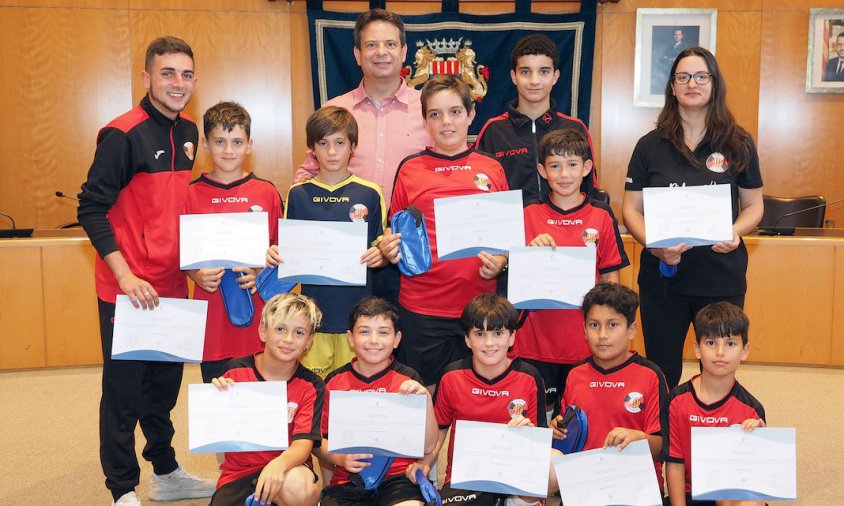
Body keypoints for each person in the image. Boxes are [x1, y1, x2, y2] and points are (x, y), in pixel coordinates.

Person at [77, 36, 215, 505]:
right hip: (129, 291)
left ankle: (166, 471)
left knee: (163, 389)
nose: (178, 83)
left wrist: (194, 268)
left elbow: (178, 211)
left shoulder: (192, 131)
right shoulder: (122, 133)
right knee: (123, 394)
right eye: (168, 73)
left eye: (187, 74)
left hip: (174, 288)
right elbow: (91, 209)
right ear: (147, 77)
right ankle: (121, 489)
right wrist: (124, 276)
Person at [621, 46, 764, 389]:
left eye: (701, 76)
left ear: (715, 84)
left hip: (719, 277)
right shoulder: (649, 145)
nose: (692, 84)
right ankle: (666, 441)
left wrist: (735, 231)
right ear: (671, 87)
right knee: (661, 373)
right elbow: (630, 209)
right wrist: (654, 246)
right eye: (682, 77)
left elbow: (755, 206)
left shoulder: (738, 142)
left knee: (717, 371)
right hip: (663, 280)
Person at [297, 8, 433, 308]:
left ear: (404, 51)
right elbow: (307, 176)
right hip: (349, 254)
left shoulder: (429, 110)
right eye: (371, 45)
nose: (381, 52)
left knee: (403, 344)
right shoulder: (334, 110)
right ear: (358, 54)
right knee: (350, 342)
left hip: (407, 251)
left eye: (390, 44)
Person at [380, 75, 509, 390]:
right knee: (424, 398)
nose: (446, 122)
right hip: (423, 309)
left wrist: (502, 261)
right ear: (425, 120)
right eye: (435, 114)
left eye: (454, 112)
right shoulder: (410, 168)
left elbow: (508, 240)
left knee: (477, 400)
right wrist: (388, 245)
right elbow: (392, 227)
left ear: (470, 115)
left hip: (481, 309)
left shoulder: (492, 168)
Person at [516, 129, 629, 421]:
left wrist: (608, 332)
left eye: (572, 165)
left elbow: (610, 281)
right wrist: (526, 253)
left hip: (583, 342)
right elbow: (507, 273)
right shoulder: (527, 215)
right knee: (536, 421)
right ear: (542, 170)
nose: (563, 174)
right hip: (535, 341)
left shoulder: (601, 216)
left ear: (587, 168)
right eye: (554, 166)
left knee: (579, 421)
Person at [268, 106, 386, 378]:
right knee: (315, 391)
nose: (331, 152)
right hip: (313, 316)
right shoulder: (298, 194)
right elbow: (288, 251)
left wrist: (381, 254)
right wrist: (276, 253)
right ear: (312, 149)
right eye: (323, 143)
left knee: (352, 389)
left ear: (352, 146)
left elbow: (381, 245)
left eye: (339, 143)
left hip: (356, 317)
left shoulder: (369, 193)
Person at [406, 293, 556, 506]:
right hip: (467, 477)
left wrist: (528, 432)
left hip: (514, 477)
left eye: (497, 333)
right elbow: (439, 429)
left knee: (553, 461)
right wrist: (425, 463)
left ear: (512, 337)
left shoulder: (530, 377)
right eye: (479, 333)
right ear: (467, 339)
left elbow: (539, 439)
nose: (489, 343)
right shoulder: (451, 375)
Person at [185, 101, 283, 383]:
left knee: (260, 403)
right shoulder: (190, 194)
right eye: (220, 141)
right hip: (211, 321)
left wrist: (261, 274)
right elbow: (180, 255)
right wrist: (195, 274)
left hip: (257, 320)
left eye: (237, 142)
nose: (229, 151)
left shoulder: (266, 193)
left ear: (249, 144)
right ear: (205, 144)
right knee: (218, 399)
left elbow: (280, 253)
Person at [316, 296, 438, 506]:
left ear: (397, 339)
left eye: (383, 332)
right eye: (364, 331)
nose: (374, 340)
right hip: (348, 480)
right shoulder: (335, 382)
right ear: (350, 338)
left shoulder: (409, 380)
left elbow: (428, 446)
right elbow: (317, 441)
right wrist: (340, 460)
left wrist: (425, 399)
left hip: (399, 478)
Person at [209, 293, 325, 506]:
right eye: (280, 329)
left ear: (308, 341)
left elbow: (303, 445)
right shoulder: (235, 372)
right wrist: (217, 396)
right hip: (238, 475)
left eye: (299, 333)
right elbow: (215, 431)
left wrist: (278, 464)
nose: (288, 339)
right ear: (263, 331)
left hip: (288, 471)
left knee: (299, 486)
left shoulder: (311, 385)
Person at [551, 283, 668, 491]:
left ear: (631, 330)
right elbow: (564, 428)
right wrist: (556, 430)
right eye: (594, 325)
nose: (602, 334)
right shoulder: (575, 375)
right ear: (584, 330)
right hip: (584, 484)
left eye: (612, 325)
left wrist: (639, 438)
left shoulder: (651, 375)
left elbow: (664, 447)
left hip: (637, 485)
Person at [663, 302, 766, 506]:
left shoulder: (751, 409)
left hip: (730, 493)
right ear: (697, 349)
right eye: (711, 343)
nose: (720, 352)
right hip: (691, 495)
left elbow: (753, 475)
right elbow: (674, 463)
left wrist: (761, 439)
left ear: (744, 351)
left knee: (753, 502)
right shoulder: (676, 400)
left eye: (730, 344)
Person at [475, 34, 597, 205]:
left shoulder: (575, 129)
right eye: (525, 72)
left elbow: (589, 192)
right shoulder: (494, 131)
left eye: (544, 72)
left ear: (555, 76)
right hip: (513, 228)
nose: (534, 81)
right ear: (513, 76)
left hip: (564, 229)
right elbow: (482, 192)